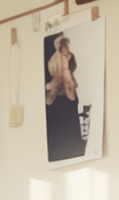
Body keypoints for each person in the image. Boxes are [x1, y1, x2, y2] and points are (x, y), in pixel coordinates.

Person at [45, 33, 87, 162]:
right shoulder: (52, 59)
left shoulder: (69, 57)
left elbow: (71, 68)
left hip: (68, 97)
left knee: (72, 130)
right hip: (56, 98)